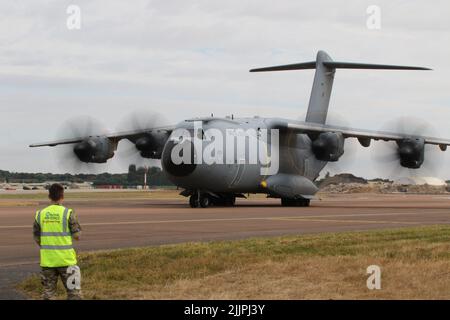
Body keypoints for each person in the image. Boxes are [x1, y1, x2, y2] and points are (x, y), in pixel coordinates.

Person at [33, 183, 82, 300]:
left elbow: (36, 238)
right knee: (74, 294)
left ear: (49, 196)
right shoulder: (68, 213)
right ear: (62, 196)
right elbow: (77, 236)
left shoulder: (40, 214)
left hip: (48, 261)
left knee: (48, 294)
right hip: (67, 261)